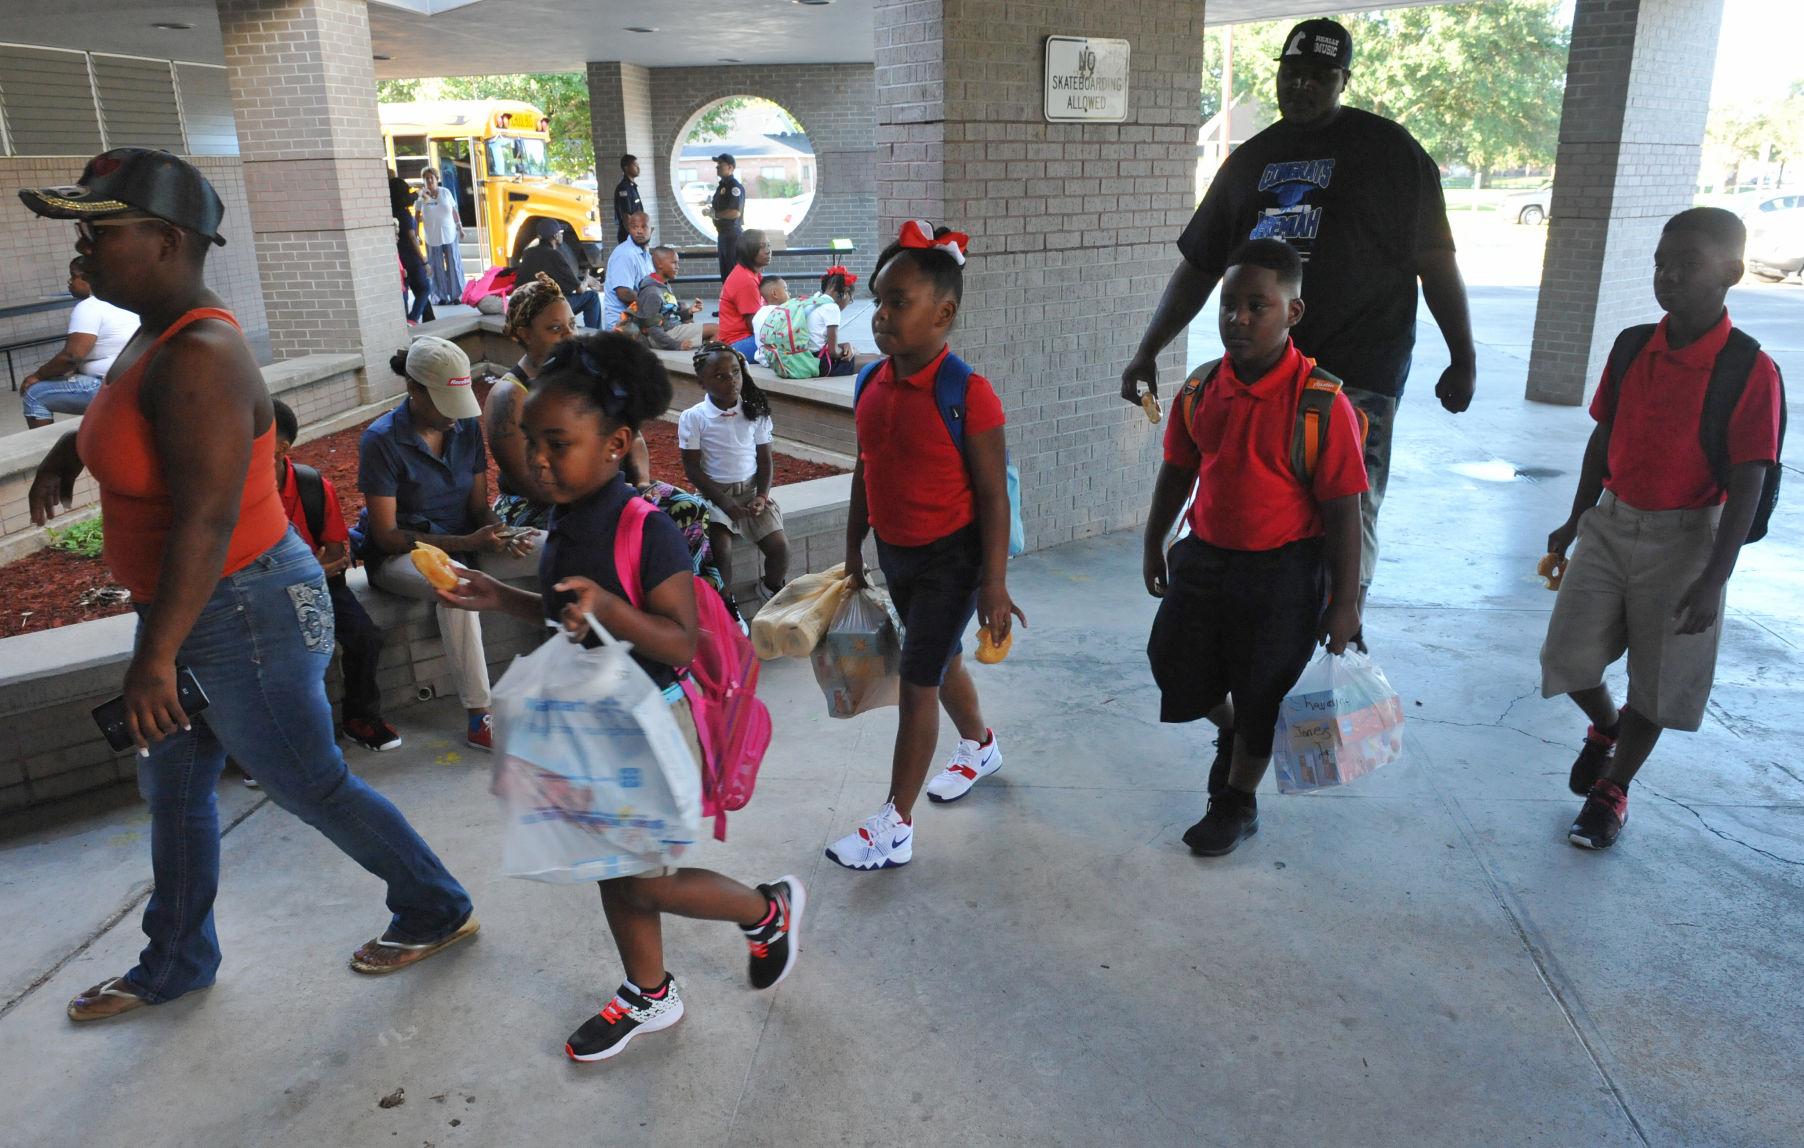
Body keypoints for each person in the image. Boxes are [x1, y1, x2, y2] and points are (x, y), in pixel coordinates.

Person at [22, 148, 475, 1023]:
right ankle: (176, 961)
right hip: (197, 609)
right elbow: (135, 423)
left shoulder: (201, 350)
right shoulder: (154, 331)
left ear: (164, 238)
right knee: (177, 790)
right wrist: (67, 449)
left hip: (241, 609)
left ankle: (436, 904)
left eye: (99, 228)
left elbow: (206, 516)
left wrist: (154, 659)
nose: (81, 243)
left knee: (308, 782)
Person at [434, 331, 805, 1063]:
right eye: (528, 441)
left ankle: (767, 910)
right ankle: (650, 991)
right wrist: (497, 596)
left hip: (650, 722)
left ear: (616, 443)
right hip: (594, 718)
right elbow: (565, 609)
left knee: (644, 880)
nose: (538, 459)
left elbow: (678, 640)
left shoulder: (649, 527)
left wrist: (610, 609)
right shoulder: (566, 517)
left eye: (557, 443)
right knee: (610, 867)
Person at [1120, 17, 1476, 617]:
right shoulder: (1251, 161)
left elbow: (1435, 262)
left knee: (1347, 509)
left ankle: (1342, 627)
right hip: (1263, 376)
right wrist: (1147, 349)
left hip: (1356, 372)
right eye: (1293, 73)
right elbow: (1200, 265)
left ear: (1343, 80)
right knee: (1259, 504)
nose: (1303, 86)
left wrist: (1462, 357)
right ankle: (1264, 638)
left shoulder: (1391, 152)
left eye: (1320, 76)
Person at [1540, 208, 1784, 851]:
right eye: (1659, 263)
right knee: (1568, 659)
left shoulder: (1749, 370)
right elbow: (1603, 435)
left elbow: (1749, 481)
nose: (1668, 277)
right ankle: (1605, 728)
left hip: (1686, 541)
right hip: (1611, 524)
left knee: (1659, 678)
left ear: (1731, 273)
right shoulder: (1630, 346)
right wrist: (1574, 517)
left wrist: (1714, 578)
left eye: (1688, 265)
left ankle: (1610, 792)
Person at [1143, 239, 1366, 857]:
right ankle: (1239, 732)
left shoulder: (1322, 403)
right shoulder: (1200, 388)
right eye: (1229, 305)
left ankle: (1235, 803)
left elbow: (1344, 513)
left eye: (1256, 307)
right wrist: (1153, 542)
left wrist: (1344, 603)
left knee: (1262, 688)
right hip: (1205, 556)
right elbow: (1177, 469)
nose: (1238, 319)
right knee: (1173, 664)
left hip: (1284, 573)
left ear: (1292, 313)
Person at [828, 221, 1026, 870]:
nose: (881, 316)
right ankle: (980, 744)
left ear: (944, 314)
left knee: (918, 679)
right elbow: (868, 466)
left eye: (898, 303)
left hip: (954, 560)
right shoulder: (868, 384)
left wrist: (993, 584)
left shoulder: (969, 395)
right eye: (879, 300)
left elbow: (994, 497)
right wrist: (856, 546)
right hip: (899, 555)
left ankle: (895, 823)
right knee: (940, 663)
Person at [354, 336, 537, 750]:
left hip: (466, 541)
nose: (456, 418)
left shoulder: (465, 427)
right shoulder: (381, 440)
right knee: (455, 585)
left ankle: (584, 663)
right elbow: (386, 535)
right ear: (413, 390)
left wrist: (502, 532)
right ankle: (479, 715)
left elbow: (478, 507)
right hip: (401, 556)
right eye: (444, 406)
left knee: (551, 547)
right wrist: (466, 542)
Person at [271, 399, 402, 753]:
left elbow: (336, 552)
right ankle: (274, 743)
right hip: (263, 594)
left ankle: (360, 718)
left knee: (365, 637)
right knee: (271, 653)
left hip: (319, 586)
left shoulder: (311, 486)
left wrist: (308, 572)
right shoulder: (233, 492)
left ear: (282, 448)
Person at [679, 344, 789, 600]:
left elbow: (765, 460)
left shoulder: (754, 411)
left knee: (780, 548)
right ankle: (725, 604)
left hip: (751, 493)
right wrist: (725, 502)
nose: (731, 380)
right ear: (701, 382)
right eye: (720, 375)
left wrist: (762, 495)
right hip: (714, 497)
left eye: (736, 372)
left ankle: (770, 586)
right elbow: (692, 470)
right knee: (721, 552)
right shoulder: (694, 418)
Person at [20, 258, 138, 428]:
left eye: (73, 276)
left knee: (34, 394)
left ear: (89, 278)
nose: (70, 282)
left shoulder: (90, 306)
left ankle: (48, 453)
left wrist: (37, 376)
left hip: (108, 386)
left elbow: (72, 356)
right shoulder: (124, 300)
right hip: (132, 380)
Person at [516, 219, 602, 330]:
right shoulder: (554, 255)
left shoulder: (528, 253)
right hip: (547, 310)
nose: (562, 235)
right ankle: (594, 336)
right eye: (560, 233)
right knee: (592, 297)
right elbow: (580, 289)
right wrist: (587, 280)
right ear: (556, 236)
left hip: (528, 307)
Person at [634, 246, 711, 350]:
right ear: (659, 264)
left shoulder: (663, 285)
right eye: (674, 263)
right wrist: (677, 345)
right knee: (717, 330)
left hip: (670, 329)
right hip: (662, 336)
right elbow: (652, 328)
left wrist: (689, 311)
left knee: (685, 307)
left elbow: (668, 316)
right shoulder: (652, 292)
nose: (677, 267)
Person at [389, 170, 435, 324]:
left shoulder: (390, 212)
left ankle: (409, 320)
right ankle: (413, 319)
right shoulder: (404, 214)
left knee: (405, 291)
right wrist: (424, 261)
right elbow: (412, 239)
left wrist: (418, 192)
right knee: (424, 288)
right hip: (411, 257)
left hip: (399, 259)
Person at [415, 167, 464, 305]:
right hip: (432, 235)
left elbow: (454, 210)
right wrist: (416, 234)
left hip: (449, 233)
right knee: (435, 266)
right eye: (426, 178)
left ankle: (457, 295)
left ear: (437, 179)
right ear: (424, 181)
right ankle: (439, 296)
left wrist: (460, 227)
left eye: (432, 178)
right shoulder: (421, 196)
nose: (429, 180)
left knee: (454, 263)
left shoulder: (445, 192)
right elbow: (417, 216)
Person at [717, 230, 769, 356]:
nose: (768, 250)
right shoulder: (746, 280)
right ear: (749, 250)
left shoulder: (751, 274)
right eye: (762, 247)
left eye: (769, 245)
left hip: (743, 338)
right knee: (786, 342)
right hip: (738, 343)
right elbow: (755, 325)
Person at [603, 211, 655, 331]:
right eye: (635, 227)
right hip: (622, 325)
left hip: (638, 317)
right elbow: (624, 293)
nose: (639, 231)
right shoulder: (625, 254)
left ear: (651, 230)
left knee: (682, 310)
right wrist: (651, 303)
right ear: (629, 230)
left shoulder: (645, 254)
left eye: (643, 226)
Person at [805, 266, 860, 377]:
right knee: (876, 360)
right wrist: (850, 352)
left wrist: (845, 345)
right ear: (845, 293)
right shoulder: (831, 307)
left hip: (806, 359)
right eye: (851, 299)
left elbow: (817, 342)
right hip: (820, 364)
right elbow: (833, 352)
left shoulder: (813, 301)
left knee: (856, 352)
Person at [710, 153, 746, 281]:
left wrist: (715, 214)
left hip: (732, 235)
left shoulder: (734, 187)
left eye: (721, 164)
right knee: (725, 274)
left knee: (732, 272)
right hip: (723, 234)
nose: (717, 167)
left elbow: (735, 212)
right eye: (717, 164)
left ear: (730, 167)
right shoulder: (722, 186)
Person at [747, 276, 789, 364]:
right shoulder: (782, 313)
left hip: (763, 359)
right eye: (785, 289)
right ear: (774, 294)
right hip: (778, 360)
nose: (789, 293)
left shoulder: (759, 313)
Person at [613, 153, 644, 245]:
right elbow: (626, 216)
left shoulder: (632, 187)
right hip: (629, 236)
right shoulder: (624, 188)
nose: (638, 168)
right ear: (626, 167)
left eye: (638, 166)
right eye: (635, 165)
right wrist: (635, 236)